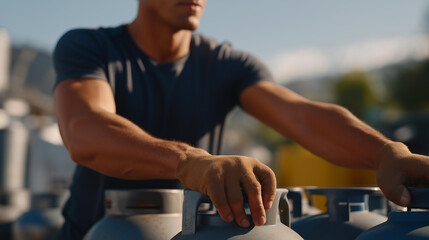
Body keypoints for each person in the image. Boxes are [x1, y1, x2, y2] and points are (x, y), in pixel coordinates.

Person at [53, 0, 429, 239]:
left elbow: (300, 116)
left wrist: (385, 152)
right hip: (95, 232)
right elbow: (84, 130)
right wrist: (189, 161)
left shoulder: (228, 64)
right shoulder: (89, 47)